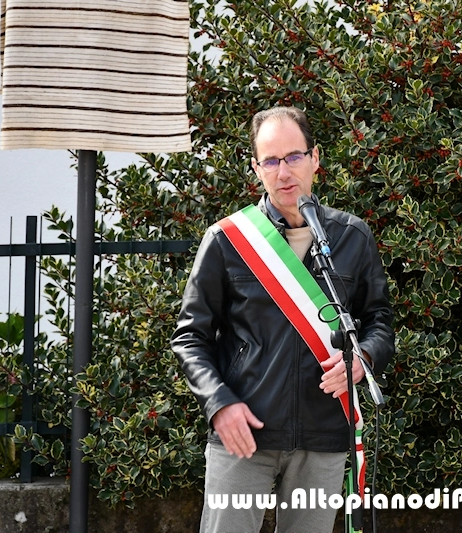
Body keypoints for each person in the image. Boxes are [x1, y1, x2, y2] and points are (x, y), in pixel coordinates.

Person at [172, 106, 395, 532]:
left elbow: (379, 323)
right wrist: (219, 404)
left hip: (324, 431)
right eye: (271, 161)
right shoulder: (227, 240)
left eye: (294, 156)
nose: (284, 171)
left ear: (315, 158)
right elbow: (190, 337)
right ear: (257, 168)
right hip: (244, 431)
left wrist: (362, 359)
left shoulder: (352, 237)